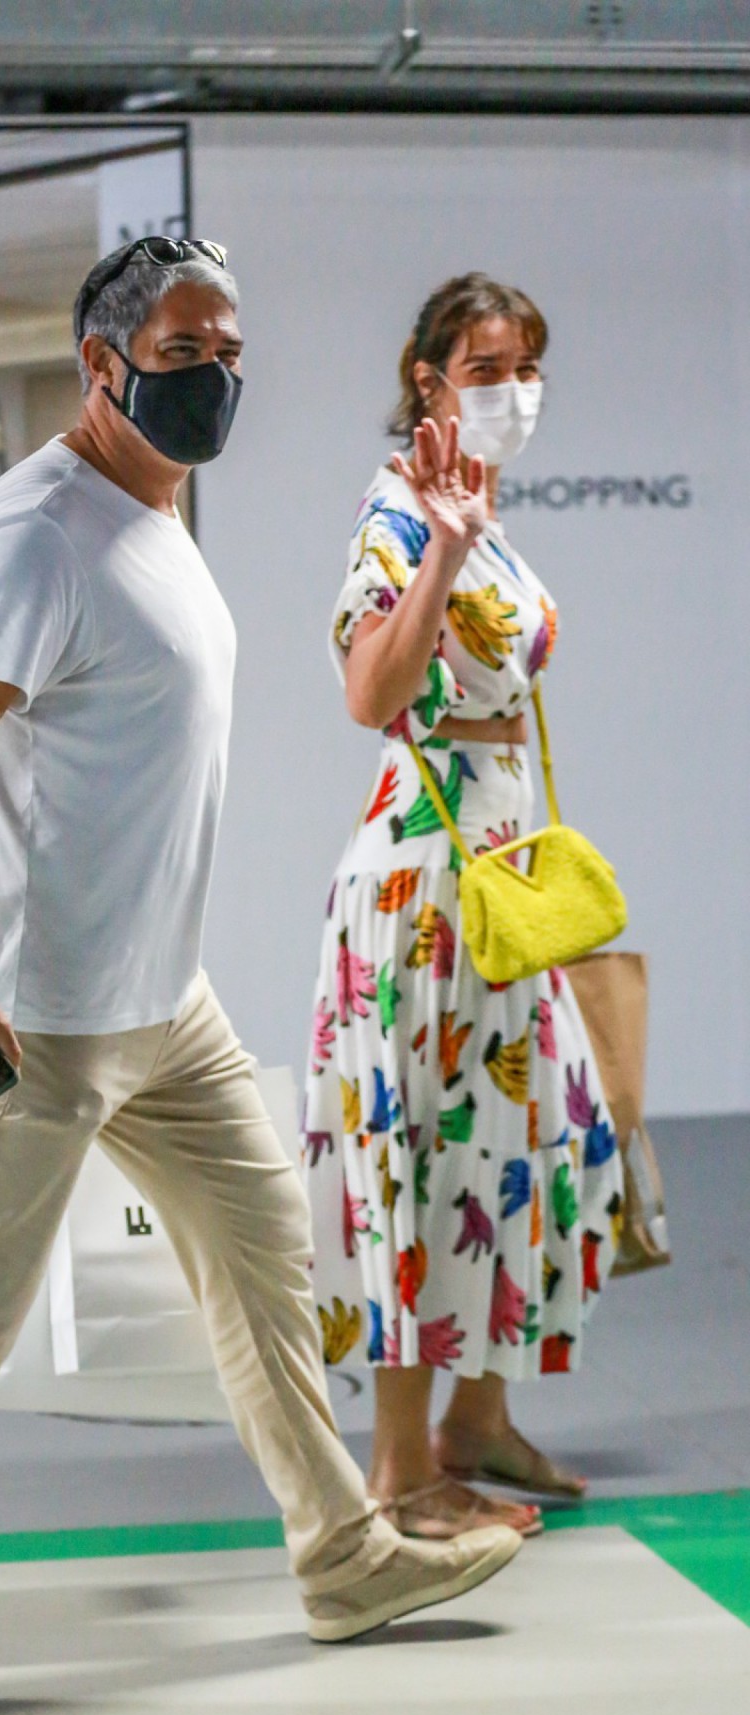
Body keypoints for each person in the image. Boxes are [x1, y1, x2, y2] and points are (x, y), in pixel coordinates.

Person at [0, 241, 522, 1715]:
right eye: (182, 351)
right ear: (99, 366)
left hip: (160, 1004)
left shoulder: (154, 512)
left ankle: (342, 1553)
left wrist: (445, 545)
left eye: (226, 347)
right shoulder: (38, 533)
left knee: (264, 1258)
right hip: (39, 1020)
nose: (214, 377)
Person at [304, 273, 624, 1541]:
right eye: (487, 369)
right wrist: (436, 547)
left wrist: (464, 536)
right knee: (421, 1153)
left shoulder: (482, 517)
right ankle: (400, 1466)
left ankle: (476, 1415)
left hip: (500, 860)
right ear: (428, 379)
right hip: (425, 878)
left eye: (528, 366)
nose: (514, 392)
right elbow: (370, 690)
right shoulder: (401, 513)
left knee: (552, 1144)